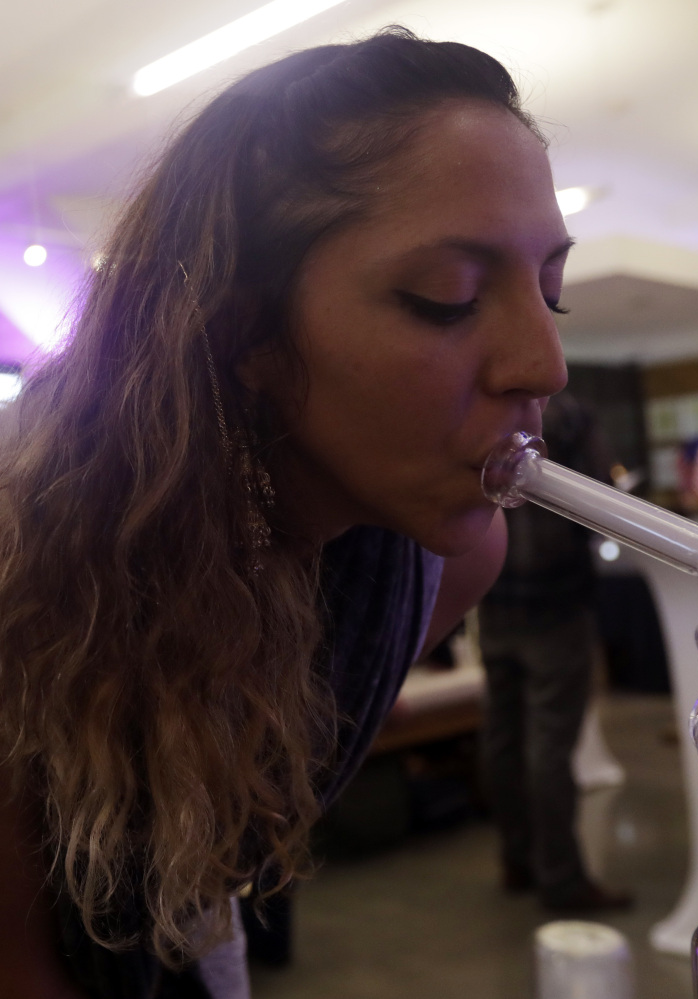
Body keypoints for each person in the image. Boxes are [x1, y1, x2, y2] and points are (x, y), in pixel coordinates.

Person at [0, 28, 572, 999]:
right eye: (448, 296)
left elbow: (215, 858)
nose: (544, 367)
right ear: (243, 333)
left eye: (552, 291)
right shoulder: (28, 584)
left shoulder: (452, 562)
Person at [478, 392, 632, 911]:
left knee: (502, 735)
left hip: (494, 596)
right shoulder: (569, 414)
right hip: (557, 598)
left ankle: (516, 861)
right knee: (549, 746)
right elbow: (600, 497)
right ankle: (561, 879)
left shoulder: (480, 404)